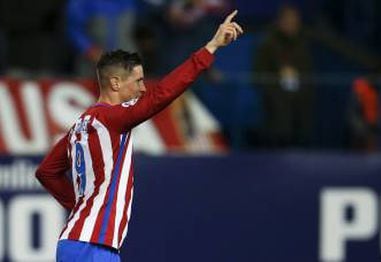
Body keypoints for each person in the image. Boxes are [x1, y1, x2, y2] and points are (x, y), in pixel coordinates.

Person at [35, 10, 243, 261]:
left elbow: (46, 171)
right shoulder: (113, 118)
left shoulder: (81, 125)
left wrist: (81, 210)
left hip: (74, 243)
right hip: (93, 247)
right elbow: (162, 95)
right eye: (138, 81)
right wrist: (210, 48)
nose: (144, 88)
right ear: (115, 83)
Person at [253, 4, 313, 148]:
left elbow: (309, 75)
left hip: (300, 107)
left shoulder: (303, 45)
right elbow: (258, 74)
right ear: (280, 21)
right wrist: (278, 78)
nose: (292, 24)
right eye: (288, 20)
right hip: (275, 107)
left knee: (300, 140)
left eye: (295, 21)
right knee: (278, 138)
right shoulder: (267, 44)